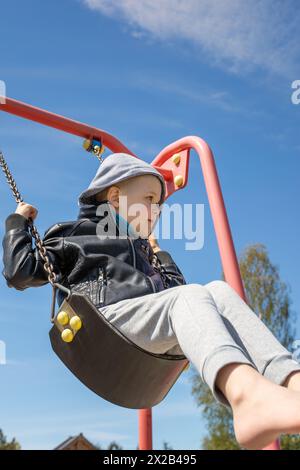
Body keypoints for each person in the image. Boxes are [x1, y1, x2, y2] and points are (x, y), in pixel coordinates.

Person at [2, 152, 300, 450]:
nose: (156, 210)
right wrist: (17, 224)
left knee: (218, 291)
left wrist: (160, 256)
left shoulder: (146, 253)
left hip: (147, 336)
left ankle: (291, 381)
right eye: (149, 198)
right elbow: (20, 273)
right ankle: (245, 396)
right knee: (191, 295)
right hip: (104, 324)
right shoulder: (75, 236)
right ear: (116, 198)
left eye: (159, 204)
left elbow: (181, 300)